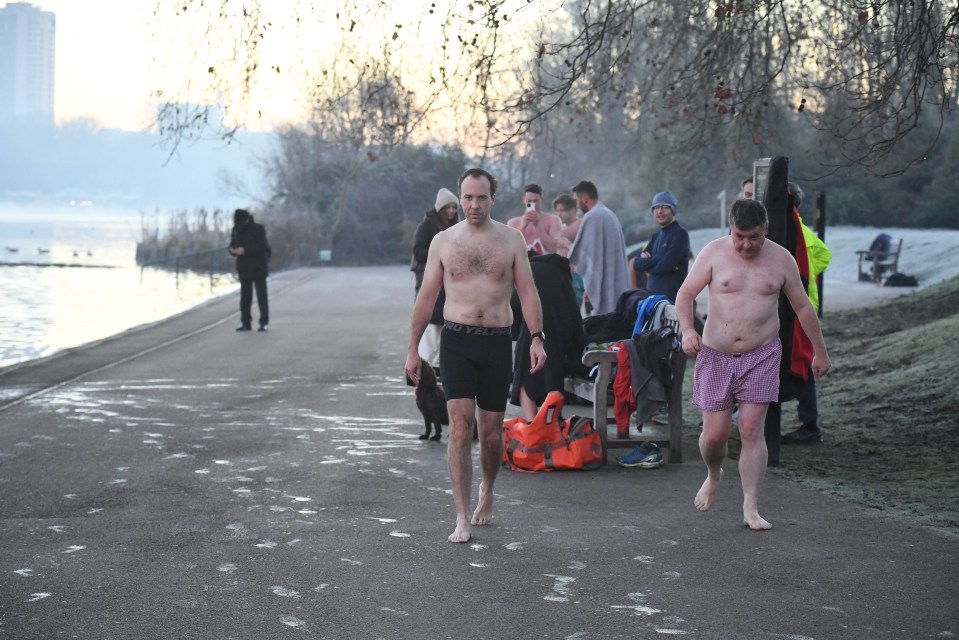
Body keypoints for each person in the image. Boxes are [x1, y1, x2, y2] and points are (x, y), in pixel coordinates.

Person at [405, 167, 547, 544]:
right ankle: (461, 516)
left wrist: (536, 338)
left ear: (492, 199)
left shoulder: (511, 239)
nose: (473, 204)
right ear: (459, 198)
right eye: (467, 197)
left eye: (481, 197)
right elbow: (426, 297)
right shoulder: (444, 242)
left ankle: (488, 488)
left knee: (490, 434)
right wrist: (413, 349)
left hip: (498, 340)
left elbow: (528, 291)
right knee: (461, 426)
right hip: (457, 340)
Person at [675, 199, 830, 531]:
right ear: (730, 229)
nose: (746, 244)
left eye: (754, 237)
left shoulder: (781, 259)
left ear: (766, 230)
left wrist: (820, 351)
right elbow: (685, 294)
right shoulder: (713, 253)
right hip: (716, 354)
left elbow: (803, 307)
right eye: (739, 236)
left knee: (749, 429)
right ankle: (714, 473)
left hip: (761, 355)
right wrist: (688, 330)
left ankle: (750, 507)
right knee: (715, 435)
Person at [509, 251, 588, 421]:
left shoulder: (528, 269)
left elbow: (515, 303)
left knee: (524, 377)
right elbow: (574, 310)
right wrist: (579, 344)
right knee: (552, 376)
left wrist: (514, 333)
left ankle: (532, 426)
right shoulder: (561, 272)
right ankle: (551, 425)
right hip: (561, 331)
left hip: (532, 331)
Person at [782, 182, 832, 444]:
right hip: (805, 299)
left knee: (801, 361)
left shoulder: (793, 230)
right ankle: (808, 422)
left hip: (800, 304)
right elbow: (824, 255)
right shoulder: (806, 232)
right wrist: (813, 273)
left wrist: (803, 278)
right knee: (802, 360)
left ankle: (809, 423)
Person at [411, 187, 461, 368]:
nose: (451, 211)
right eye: (448, 207)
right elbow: (418, 252)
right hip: (428, 280)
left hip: (448, 283)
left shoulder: (455, 227)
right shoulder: (427, 226)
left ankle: (439, 365)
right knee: (430, 325)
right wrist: (441, 254)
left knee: (444, 325)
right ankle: (423, 366)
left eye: (454, 208)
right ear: (440, 208)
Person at [567, 180, 630, 315]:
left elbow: (584, 255)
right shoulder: (608, 213)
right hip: (617, 285)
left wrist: (564, 244)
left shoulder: (592, 217)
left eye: (577, 200)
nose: (577, 205)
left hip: (608, 289)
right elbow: (597, 254)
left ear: (584, 199)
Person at [630, 191, 691, 303]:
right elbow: (636, 263)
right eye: (656, 207)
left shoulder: (680, 234)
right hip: (652, 300)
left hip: (672, 302)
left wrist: (647, 263)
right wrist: (660, 257)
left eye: (665, 207)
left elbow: (664, 266)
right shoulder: (656, 237)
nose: (660, 211)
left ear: (673, 211)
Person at [229, 208, 270, 332]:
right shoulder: (236, 229)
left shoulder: (258, 229)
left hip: (258, 267)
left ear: (246, 219)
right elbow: (232, 244)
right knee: (245, 297)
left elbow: (262, 247)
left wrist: (245, 250)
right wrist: (232, 250)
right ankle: (245, 322)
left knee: (261, 296)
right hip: (243, 267)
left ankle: (264, 322)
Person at [506, 183, 563, 254]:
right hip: (523, 261)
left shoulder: (553, 220)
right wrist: (522, 227)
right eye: (529, 201)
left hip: (546, 261)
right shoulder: (513, 222)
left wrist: (538, 226)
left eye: (535, 201)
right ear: (524, 200)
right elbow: (510, 249)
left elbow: (555, 248)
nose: (533, 204)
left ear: (542, 200)